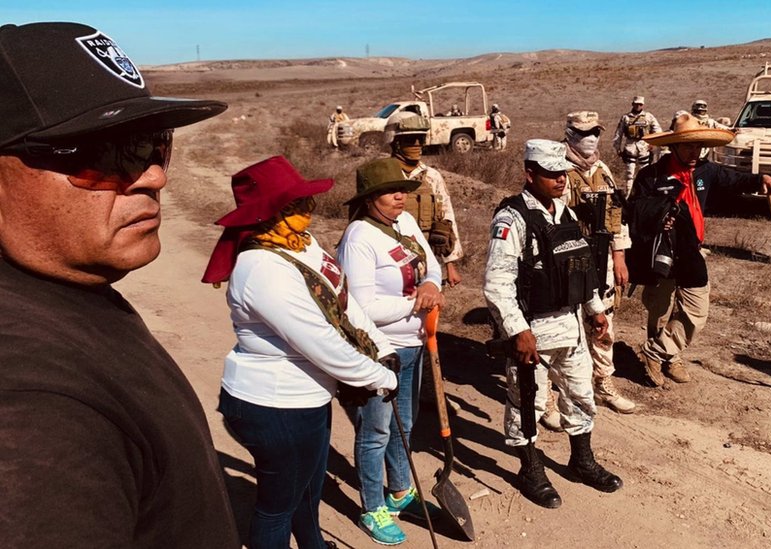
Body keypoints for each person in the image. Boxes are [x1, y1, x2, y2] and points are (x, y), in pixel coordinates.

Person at [0, 22, 237, 547]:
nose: (155, 176)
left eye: (152, 145)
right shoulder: (30, 403)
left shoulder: (65, 287)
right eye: (104, 154)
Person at [202, 156, 399, 549]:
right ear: (270, 213)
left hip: (307, 398)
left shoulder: (300, 243)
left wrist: (381, 346)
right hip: (276, 404)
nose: (304, 210)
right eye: (293, 205)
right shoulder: (261, 266)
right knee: (277, 507)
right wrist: (378, 376)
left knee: (308, 491)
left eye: (303, 202)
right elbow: (317, 338)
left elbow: (341, 298)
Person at [484, 139, 623, 510]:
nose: (560, 180)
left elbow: (582, 268)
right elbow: (497, 284)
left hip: (571, 325)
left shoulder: (564, 213)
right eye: (550, 174)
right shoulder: (512, 219)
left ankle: (582, 460)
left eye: (562, 173)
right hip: (533, 329)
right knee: (526, 401)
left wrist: (595, 310)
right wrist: (517, 331)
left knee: (581, 394)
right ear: (530, 175)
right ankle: (530, 469)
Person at [337, 157, 445, 546]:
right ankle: (371, 506)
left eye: (401, 190)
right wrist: (419, 304)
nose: (399, 197)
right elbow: (361, 309)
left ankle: (400, 491)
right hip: (380, 350)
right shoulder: (359, 238)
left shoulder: (405, 224)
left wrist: (431, 286)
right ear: (368, 199)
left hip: (414, 343)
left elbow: (432, 265)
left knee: (406, 423)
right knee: (376, 430)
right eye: (388, 192)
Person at [629, 113, 771, 387]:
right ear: (673, 146)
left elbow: (733, 179)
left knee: (696, 309)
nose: (694, 151)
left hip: (691, 251)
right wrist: (660, 214)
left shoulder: (706, 171)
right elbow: (635, 211)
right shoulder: (651, 175)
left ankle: (659, 351)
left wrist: (761, 179)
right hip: (659, 250)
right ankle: (666, 358)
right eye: (688, 146)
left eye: (698, 146)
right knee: (660, 309)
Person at [560, 111, 635, 414]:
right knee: (568, 327)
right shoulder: (557, 169)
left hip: (601, 259)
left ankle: (603, 381)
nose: (590, 138)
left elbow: (617, 217)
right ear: (569, 134)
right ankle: (562, 392)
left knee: (605, 323)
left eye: (596, 132)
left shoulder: (603, 170)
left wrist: (620, 256)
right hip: (568, 260)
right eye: (584, 132)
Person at [385, 111, 464, 287]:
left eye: (420, 139)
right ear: (395, 142)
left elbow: (446, 219)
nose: (417, 145)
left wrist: (450, 264)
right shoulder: (381, 175)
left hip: (426, 257)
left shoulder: (431, 176)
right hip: (388, 258)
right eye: (410, 140)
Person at [613, 95, 662, 197]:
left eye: (640, 104)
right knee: (629, 174)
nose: (638, 106)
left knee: (645, 173)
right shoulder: (625, 118)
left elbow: (658, 131)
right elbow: (619, 133)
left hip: (644, 146)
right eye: (636, 104)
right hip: (630, 146)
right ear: (632, 104)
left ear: (643, 105)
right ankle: (628, 195)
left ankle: (644, 194)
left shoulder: (648, 117)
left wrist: (653, 143)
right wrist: (618, 148)